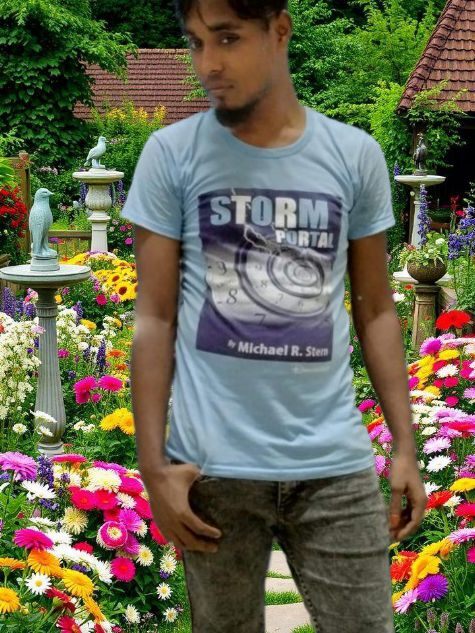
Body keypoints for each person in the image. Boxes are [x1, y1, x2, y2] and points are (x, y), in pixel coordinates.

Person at [120, 1, 428, 631]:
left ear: (279, 30)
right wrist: (153, 466)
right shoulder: (170, 155)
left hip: (333, 464)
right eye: (197, 42)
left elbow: (376, 310)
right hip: (212, 469)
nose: (209, 63)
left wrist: (404, 445)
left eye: (228, 38)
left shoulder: (353, 155)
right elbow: (154, 317)